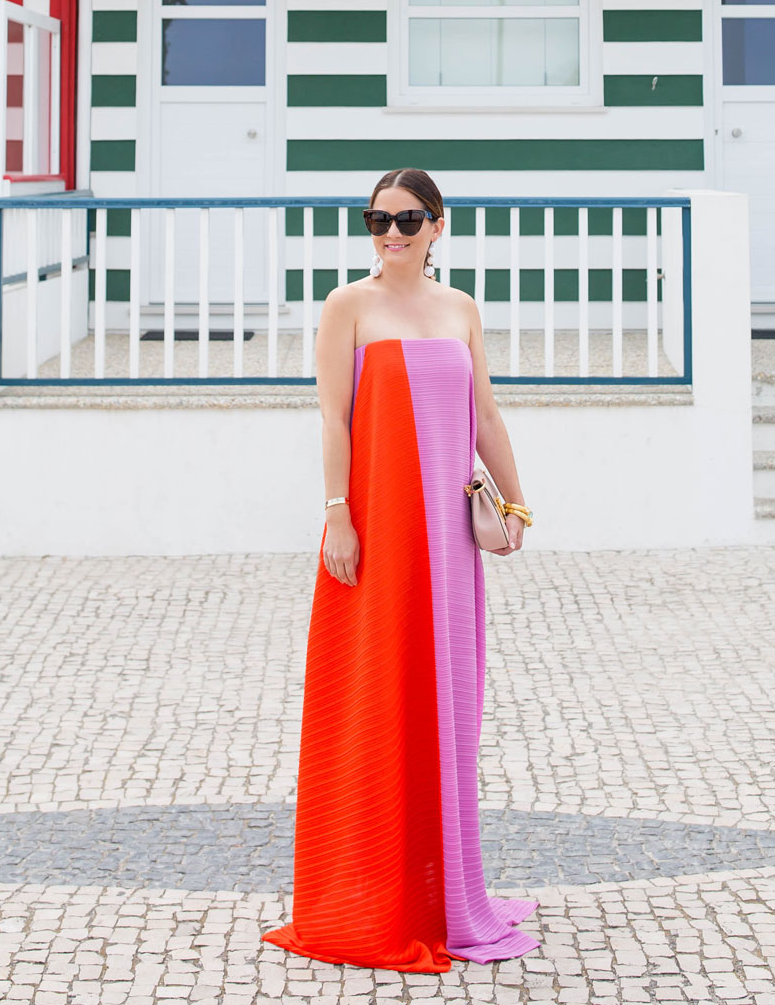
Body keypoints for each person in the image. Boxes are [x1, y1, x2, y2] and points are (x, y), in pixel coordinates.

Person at [261, 167, 539, 973]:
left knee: (444, 700)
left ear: (438, 224)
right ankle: (376, 886)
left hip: (448, 545)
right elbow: (332, 414)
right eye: (377, 219)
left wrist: (517, 506)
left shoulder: (460, 309)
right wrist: (338, 514)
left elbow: (485, 413)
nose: (391, 232)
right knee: (378, 693)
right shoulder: (348, 306)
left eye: (408, 219)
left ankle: (442, 887)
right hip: (377, 531)